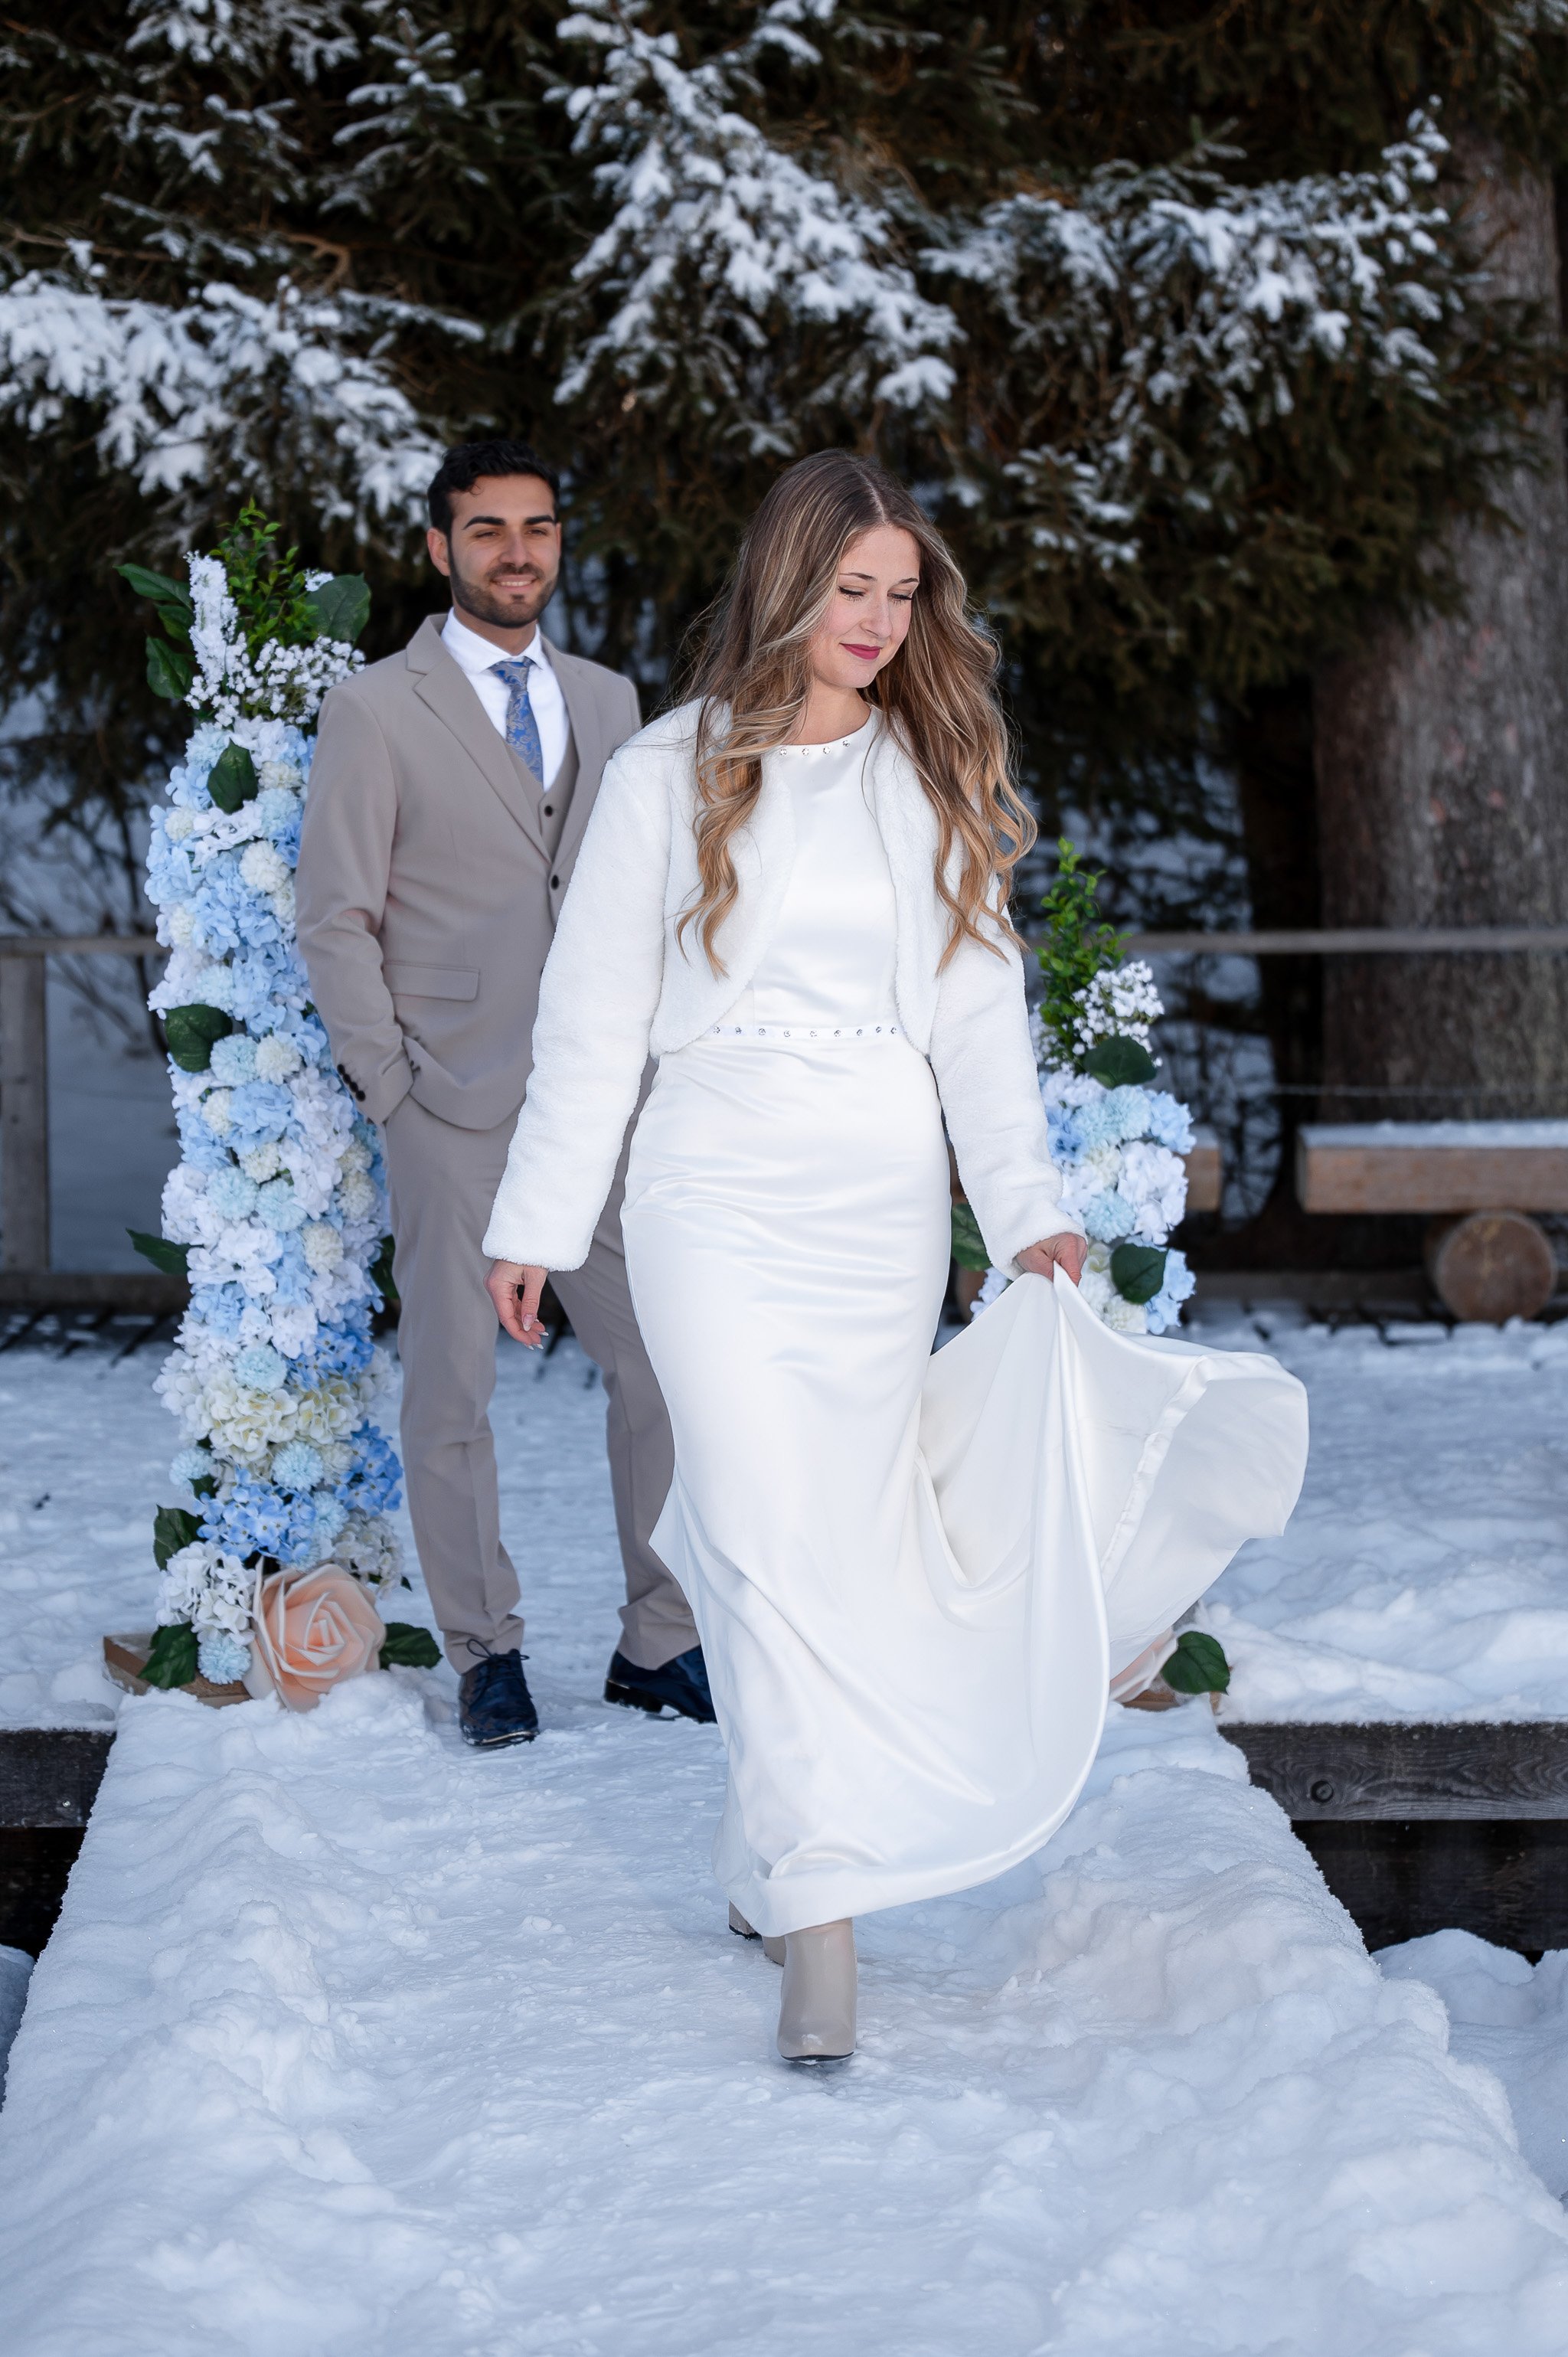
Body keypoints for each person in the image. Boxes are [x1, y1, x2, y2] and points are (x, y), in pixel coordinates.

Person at [481, 452, 1308, 2059]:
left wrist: (1025, 1209)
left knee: (831, 1543)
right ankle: (826, 1938)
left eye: (900, 591)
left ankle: (776, 1857)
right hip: (708, 1195)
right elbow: (587, 1030)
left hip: (872, 1202)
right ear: (787, 583)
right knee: (764, 1526)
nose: (875, 619)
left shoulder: (926, 775)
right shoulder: (663, 773)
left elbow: (974, 1024)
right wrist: (530, 1220)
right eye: (848, 587)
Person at [296, 437, 711, 1750]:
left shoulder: (607, 697)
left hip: (598, 1107)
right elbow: (333, 917)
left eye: (536, 528)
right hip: (451, 1107)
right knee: (453, 1392)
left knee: (663, 1371)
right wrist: (391, 1088)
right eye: (486, 530)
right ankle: (487, 1650)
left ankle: (661, 1639)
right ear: (439, 548)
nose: (515, 551)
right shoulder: (376, 708)